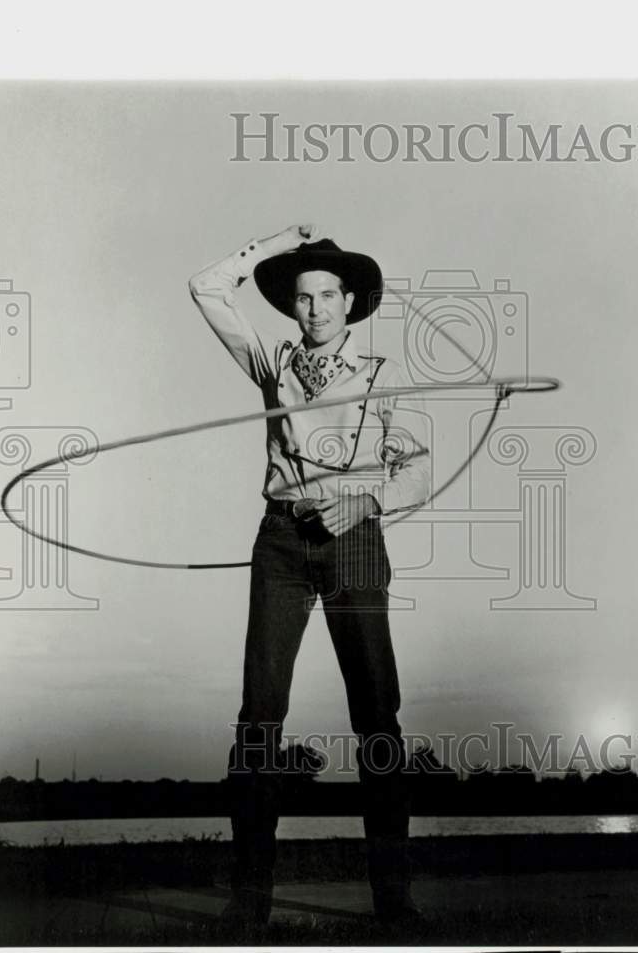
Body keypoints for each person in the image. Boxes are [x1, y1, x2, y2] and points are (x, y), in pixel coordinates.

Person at [188, 224, 431, 926]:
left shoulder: (385, 378)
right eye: (302, 296)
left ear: (350, 302)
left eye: (327, 294)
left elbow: (417, 470)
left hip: (354, 541)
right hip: (281, 545)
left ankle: (395, 900)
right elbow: (206, 288)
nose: (316, 309)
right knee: (259, 717)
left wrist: (363, 497)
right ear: (291, 306)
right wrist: (268, 246)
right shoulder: (273, 366)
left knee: (376, 715)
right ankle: (250, 900)